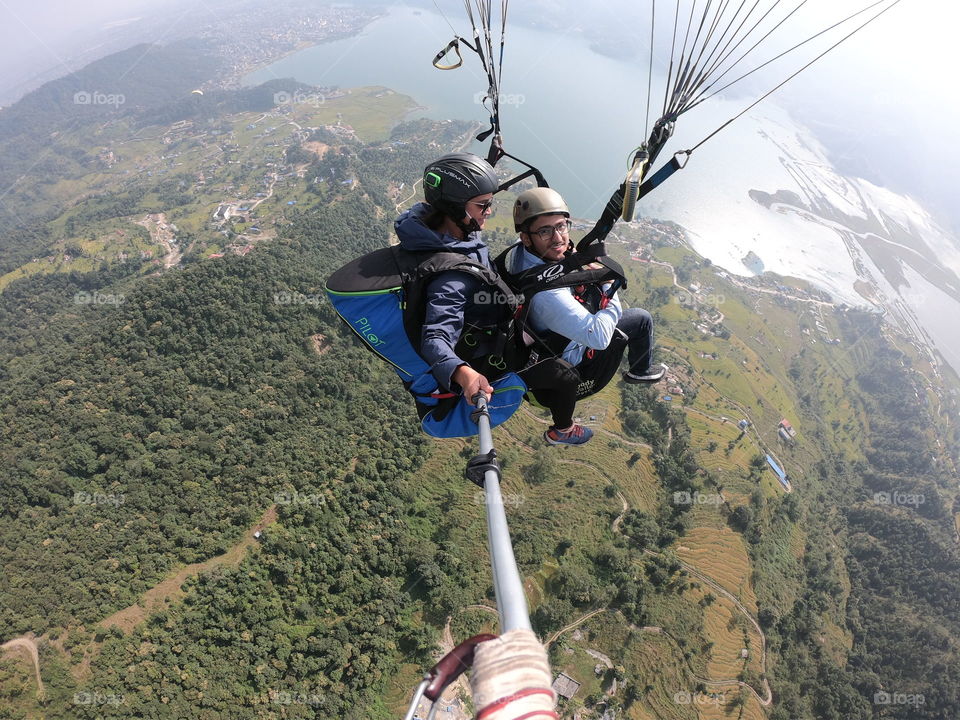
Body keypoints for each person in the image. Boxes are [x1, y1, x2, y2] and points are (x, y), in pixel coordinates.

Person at [506, 187, 666, 445]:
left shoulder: (520, 254)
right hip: (571, 367)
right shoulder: (549, 296)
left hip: (540, 353)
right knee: (641, 319)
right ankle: (639, 371)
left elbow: (559, 250)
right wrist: (607, 285)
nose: (559, 238)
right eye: (545, 231)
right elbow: (600, 338)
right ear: (526, 237)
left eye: (562, 226)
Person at [393, 152, 509, 406]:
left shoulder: (439, 225)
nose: (489, 212)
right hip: (487, 336)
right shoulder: (451, 278)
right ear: (455, 207)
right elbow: (435, 338)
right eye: (483, 205)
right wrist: (463, 373)